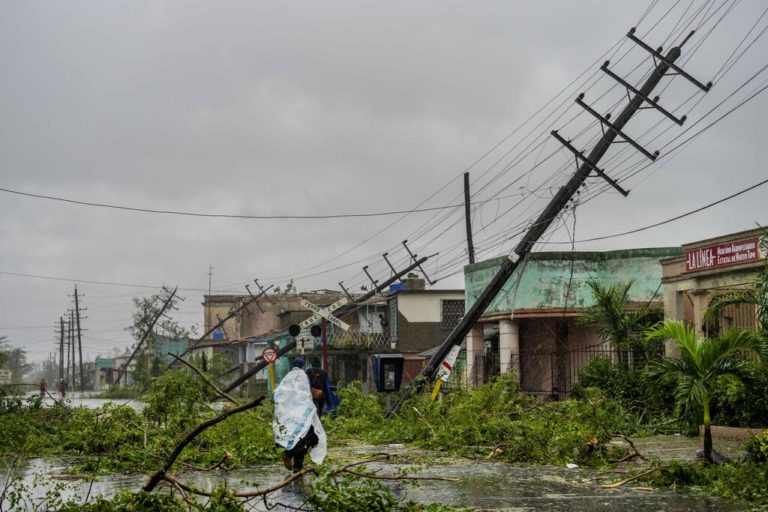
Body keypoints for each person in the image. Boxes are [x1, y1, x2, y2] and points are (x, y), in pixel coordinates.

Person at [272, 358, 327, 473]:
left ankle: (294, 461)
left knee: (298, 436)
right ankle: (295, 462)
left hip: (290, 415)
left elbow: (277, 395)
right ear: (303, 366)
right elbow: (317, 394)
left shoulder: (287, 378)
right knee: (310, 437)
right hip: (304, 414)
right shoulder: (305, 377)